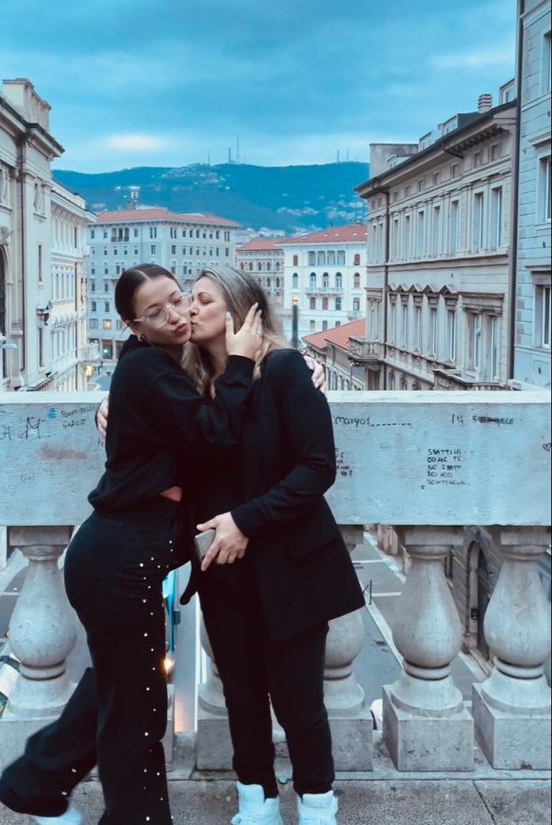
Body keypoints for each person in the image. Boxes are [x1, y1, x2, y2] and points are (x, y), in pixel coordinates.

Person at [0, 263, 263, 825]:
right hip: (117, 560)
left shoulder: (155, 365)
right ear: (134, 326)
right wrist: (241, 362)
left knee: (122, 691)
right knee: (137, 709)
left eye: (178, 298)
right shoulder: (147, 369)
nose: (175, 314)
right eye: (156, 311)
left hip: (118, 558)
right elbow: (216, 433)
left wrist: (288, 364)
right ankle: (118, 814)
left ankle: (33, 783)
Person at [180, 266, 365, 825]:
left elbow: (317, 467)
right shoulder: (187, 384)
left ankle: (316, 804)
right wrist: (105, 408)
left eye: (203, 299)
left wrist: (245, 522)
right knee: (240, 692)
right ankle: (255, 803)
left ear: (241, 313)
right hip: (224, 567)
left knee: (298, 700)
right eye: (188, 298)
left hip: (290, 561)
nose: (189, 308)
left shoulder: (284, 370)